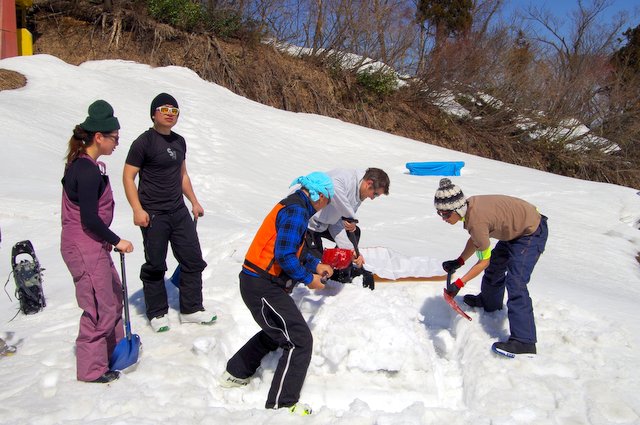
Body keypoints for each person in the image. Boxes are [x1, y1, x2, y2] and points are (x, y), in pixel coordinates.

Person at [220, 172, 335, 416]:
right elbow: (284, 256)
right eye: (329, 199)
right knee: (299, 340)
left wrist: (315, 265)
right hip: (261, 284)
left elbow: (293, 249)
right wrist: (308, 280)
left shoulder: (296, 206)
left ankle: (236, 372)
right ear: (320, 195)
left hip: (261, 283)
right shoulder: (296, 211)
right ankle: (282, 407)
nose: (327, 205)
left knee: (278, 332)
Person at [123, 93, 214, 333]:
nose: (170, 114)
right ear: (154, 113)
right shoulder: (144, 142)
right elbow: (128, 177)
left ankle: (191, 309)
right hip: (153, 213)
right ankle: (157, 312)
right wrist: (137, 209)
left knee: (193, 259)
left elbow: (182, 175)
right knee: (155, 264)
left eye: (174, 110)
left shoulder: (180, 141)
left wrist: (193, 201)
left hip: (178, 210)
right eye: (164, 109)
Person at [60, 100, 134, 383]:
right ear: (99, 137)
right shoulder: (86, 170)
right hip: (84, 247)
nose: (117, 143)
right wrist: (117, 241)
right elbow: (89, 218)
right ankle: (92, 370)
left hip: (92, 245)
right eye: (114, 138)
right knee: (98, 306)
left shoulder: (88, 166)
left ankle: (112, 353)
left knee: (113, 295)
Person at [434, 178, 548, 358]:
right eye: (439, 213)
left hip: (530, 232)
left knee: (516, 282)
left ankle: (525, 342)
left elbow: (482, 261)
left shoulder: (476, 220)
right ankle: (490, 302)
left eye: (446, 214)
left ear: (457, 209)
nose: (443, 218)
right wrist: (459, 261)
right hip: (514, 231)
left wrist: (459, 283)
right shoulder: (469, 211)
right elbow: (476, 240)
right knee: (495, 267)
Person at [305, 168, 389, 288]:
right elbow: (333, 187)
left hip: (328, 223)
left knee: (354, 232)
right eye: (374, 194)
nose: (372, 198)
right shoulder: (346, 178)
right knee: (316, 271)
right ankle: (325, 267)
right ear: (369, 183)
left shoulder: (360, 193)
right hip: (309, 223)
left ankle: (340, 270)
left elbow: (337, 222)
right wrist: (349, 215)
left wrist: (351, 251)